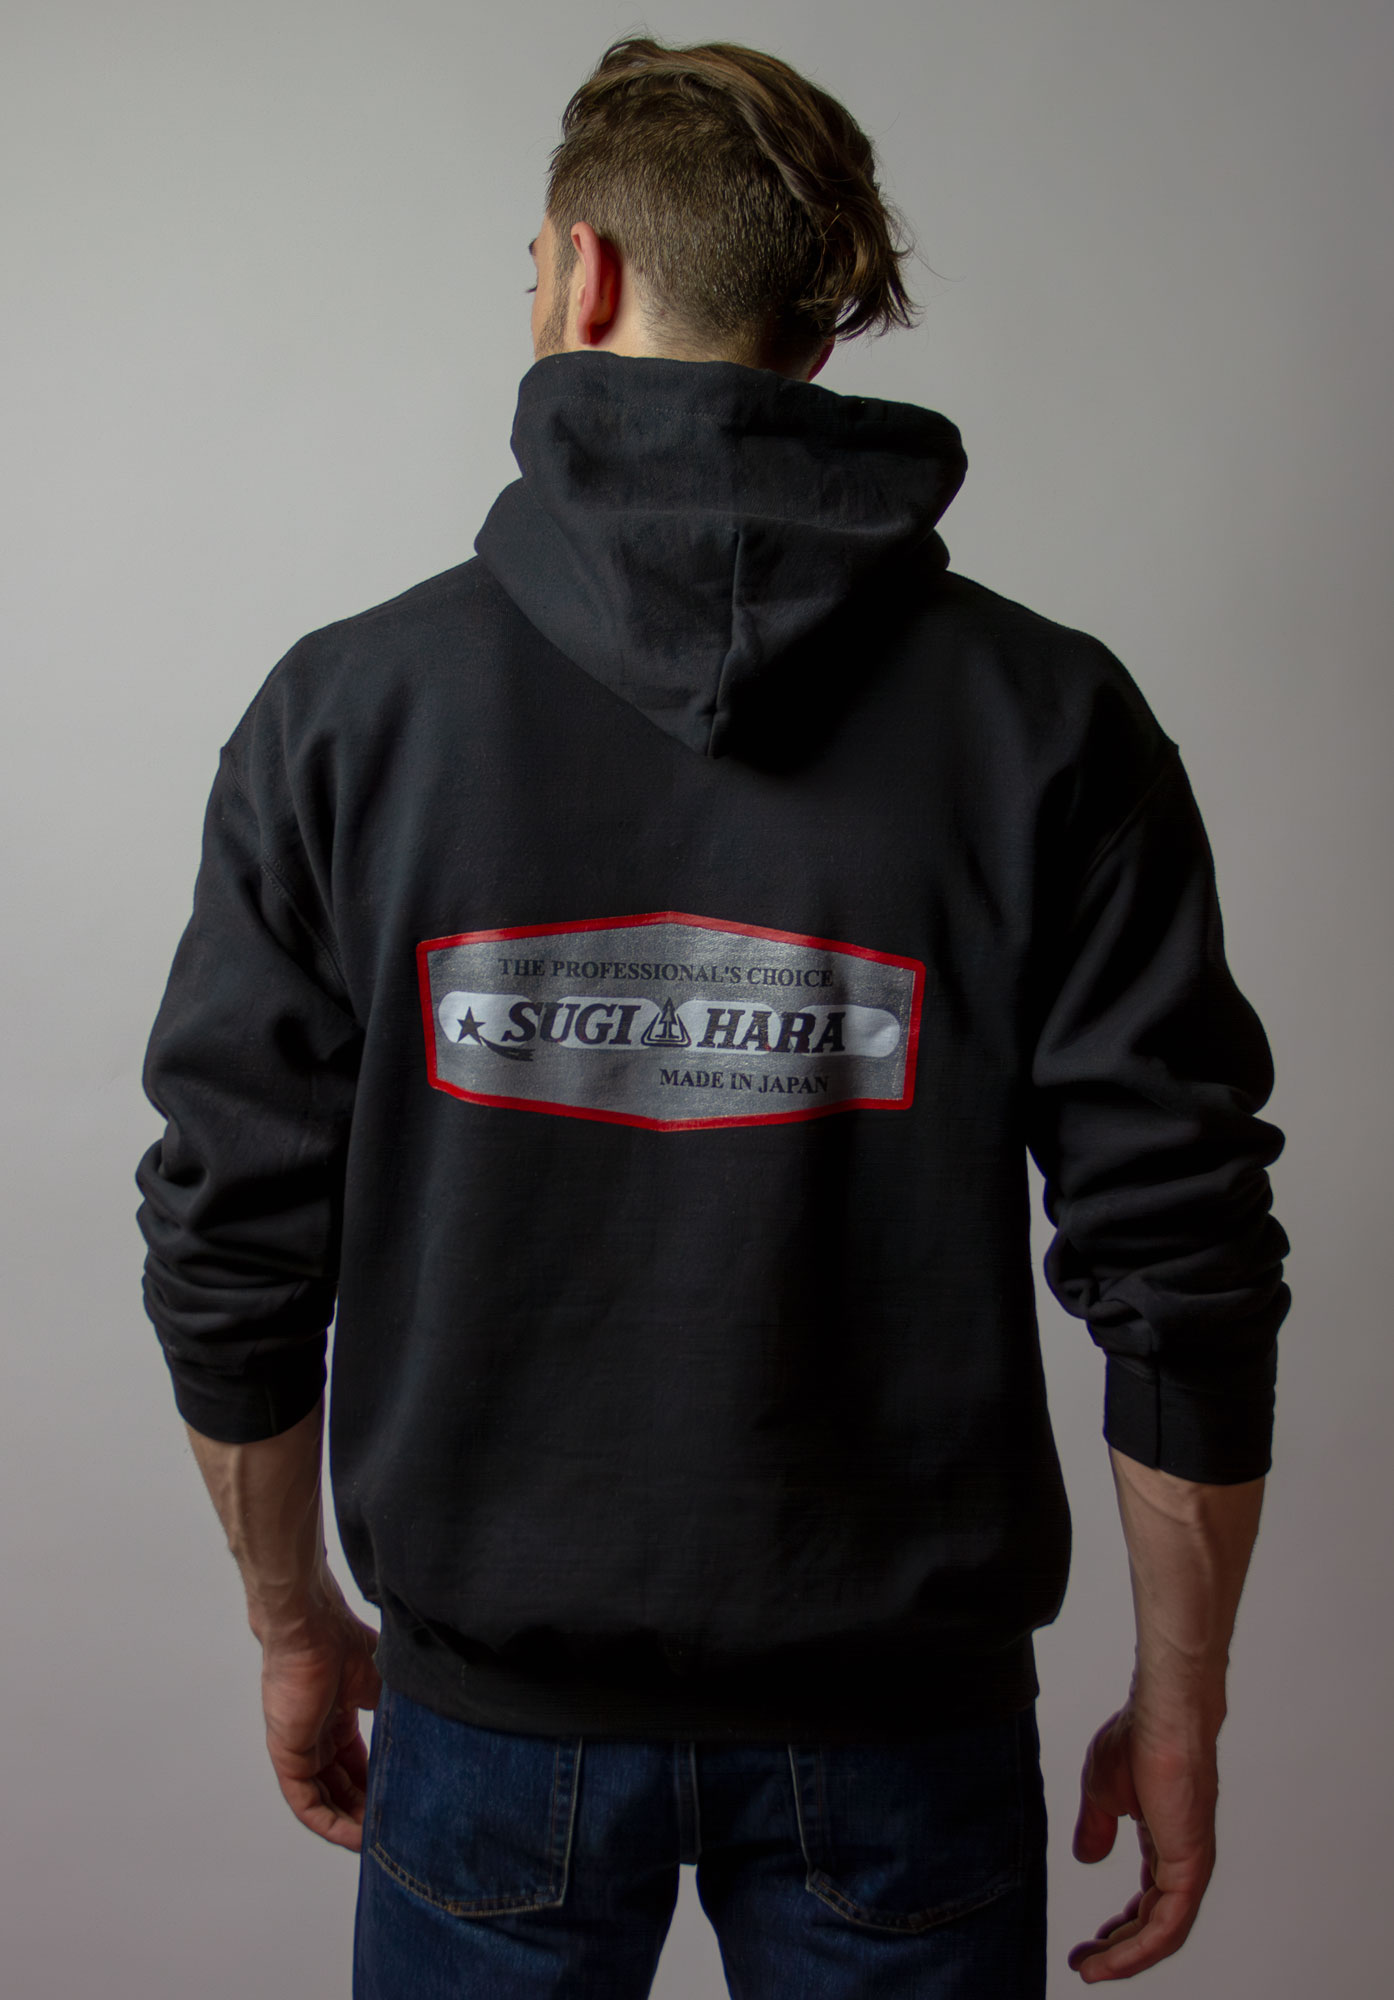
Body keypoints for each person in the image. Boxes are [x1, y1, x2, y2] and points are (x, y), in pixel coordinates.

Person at [135, 34, 1289, 2000]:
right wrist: (1183, 1700)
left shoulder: (346, 716)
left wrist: (290, 1619)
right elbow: (1182, 1260)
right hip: (906, 1735)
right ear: (816, 331)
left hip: (491, 1727)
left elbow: (228, 1235)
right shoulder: (1049, 722)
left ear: (582, 276)